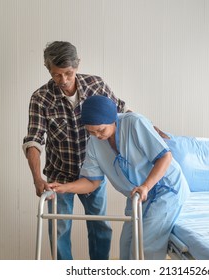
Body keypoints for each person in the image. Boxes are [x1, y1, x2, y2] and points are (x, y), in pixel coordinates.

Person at [22, 41, 129, 260]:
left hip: (93, 174)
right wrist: (36, 178)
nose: (64, 80)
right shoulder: (41, 98)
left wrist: (153, 131)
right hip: (59, 176)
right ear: (48, 70)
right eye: (57, 75)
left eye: (68, 73)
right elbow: (33, 140)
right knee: (59, 231)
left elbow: (123, 114)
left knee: (100, 228)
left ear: (77, 65)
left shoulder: (96, 85)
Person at [49, 96, 190, 260]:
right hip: (137, 196)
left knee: (145, 247)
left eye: (101, 130)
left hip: (165, 190)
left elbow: (165, 157)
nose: (97, 135)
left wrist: (145, 186)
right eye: (90, 131)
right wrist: (63, 188)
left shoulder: (135, 123)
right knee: (126, 246)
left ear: (113, 119)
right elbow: (92, 181)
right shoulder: (94, 142)